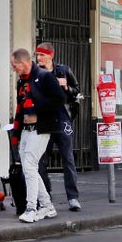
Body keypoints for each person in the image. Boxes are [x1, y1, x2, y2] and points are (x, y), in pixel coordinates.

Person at [10, 48, 66, 223]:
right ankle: (47, 205)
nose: (13, 68)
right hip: (27, 130)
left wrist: (36, 105)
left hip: (41, 129)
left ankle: (31, 208)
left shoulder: (44, 76)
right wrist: (16, 132)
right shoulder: (22, 82)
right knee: (30, 169)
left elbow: (60, 99)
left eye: (15, 65)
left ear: (24, 63)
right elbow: (20, 108)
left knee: (29, 167)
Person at [34, 42, 82, 212]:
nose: (38, 58)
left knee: (67, 158)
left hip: (62, 119)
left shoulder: (64, 71)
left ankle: (73, 197)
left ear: (51, 56)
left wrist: (66, 86)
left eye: (42, 55)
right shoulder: (35, 74)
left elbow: (77, 90)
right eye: (37, 55)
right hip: (44, 120)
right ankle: (45, 196)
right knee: (40, 159)